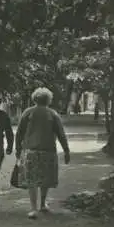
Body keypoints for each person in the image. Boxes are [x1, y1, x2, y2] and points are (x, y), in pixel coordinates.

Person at [15, 87, 70, 219]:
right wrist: (66, 151)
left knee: (32, 180)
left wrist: (18, 149)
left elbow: (19, 133)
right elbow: (61, 134)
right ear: (48, 100)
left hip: (31, 151)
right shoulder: (52, 114)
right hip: (48, 151)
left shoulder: (27, 112)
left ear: (35, 99)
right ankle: (43, 204)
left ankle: (33, 208)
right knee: (45, 178)